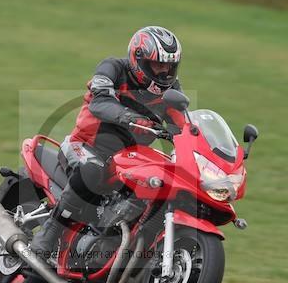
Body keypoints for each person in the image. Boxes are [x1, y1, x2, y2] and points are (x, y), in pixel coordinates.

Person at [30, 26, 186, 258]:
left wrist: (192, 142)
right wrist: (129, 117)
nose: (164, 72)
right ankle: (51, 231)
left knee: (163, 182)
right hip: (86, 145)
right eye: (157, 65)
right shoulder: (113, 68)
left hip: (130, 158)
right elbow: (99, 102)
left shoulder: (171, 89)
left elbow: (182, 124)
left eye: (169, 67)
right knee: (92, 169)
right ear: (139, 60)